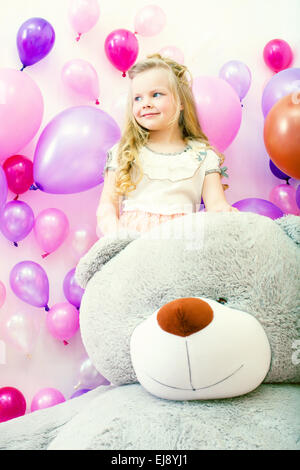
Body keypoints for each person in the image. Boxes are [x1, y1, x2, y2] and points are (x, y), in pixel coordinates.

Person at [97, 53, 239, 237]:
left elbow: (217, 205)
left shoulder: (202, 155)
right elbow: (107, 204)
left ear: (180, 101)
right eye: (138, 98)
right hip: (133, 246)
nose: (146, 104)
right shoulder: (125, 151)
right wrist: (115, 234)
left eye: (156, 95)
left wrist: (228, 215)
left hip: (182, 245)